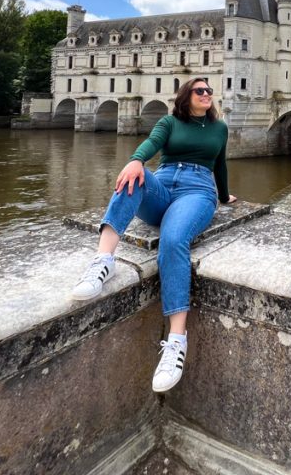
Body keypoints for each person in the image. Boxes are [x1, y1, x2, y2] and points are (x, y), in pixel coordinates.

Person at [71, 77, 237, 393]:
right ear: (185, 96)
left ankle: (176, 340)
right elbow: (152, 143)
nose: (207, 95)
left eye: (209, 91)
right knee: (134, 178)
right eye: (200, 91)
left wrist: (225, 195)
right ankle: (103, 261)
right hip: (163, 183)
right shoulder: (169, 122)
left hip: (197, 190)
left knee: (174, 240)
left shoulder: (220, 128)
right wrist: (136, 160)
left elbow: (220, 165)